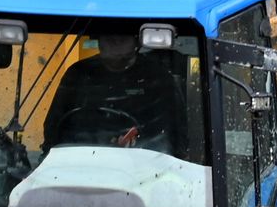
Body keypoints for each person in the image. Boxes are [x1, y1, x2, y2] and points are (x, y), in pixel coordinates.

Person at [43, 31, 191, 154]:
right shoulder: (79, 74)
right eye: (109, 36)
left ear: (136, 41)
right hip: (82, 164)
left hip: (145, 172)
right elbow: (53, 128)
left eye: (123, 36)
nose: (115, 41)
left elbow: (176, 134)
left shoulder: (157, 77)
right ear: (98, 39)